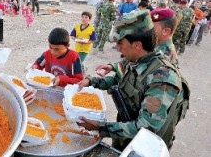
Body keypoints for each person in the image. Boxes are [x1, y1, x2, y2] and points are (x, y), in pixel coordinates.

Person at [77, 10, 182, 151]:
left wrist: (100, 127)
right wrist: (91, 82)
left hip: (143, 146)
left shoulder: (162, 78)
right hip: (125, 131)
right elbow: (119, 80)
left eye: (120, 43)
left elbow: (146, 127)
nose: (118, 48)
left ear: (137, 45)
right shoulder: (136, 59)